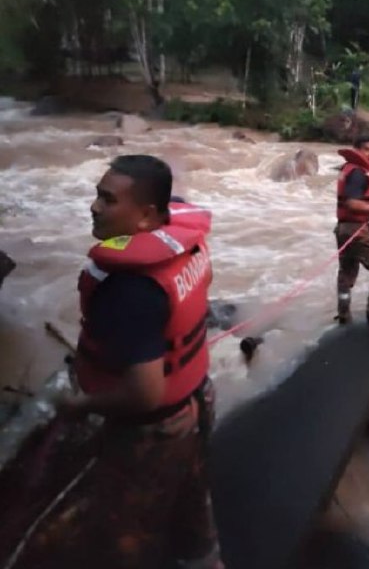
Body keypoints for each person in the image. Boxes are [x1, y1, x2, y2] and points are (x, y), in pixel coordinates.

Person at [24, 155, 223, 569]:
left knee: (124, 535)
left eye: (109, 200)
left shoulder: (130, 290)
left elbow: (144, 393)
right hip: (198, 397)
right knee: (191, 502)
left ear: (147, 215)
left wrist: (80, 405)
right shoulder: (184, 242)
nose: (94, 207)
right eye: (98, 195)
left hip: (154, 430)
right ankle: (203, 560)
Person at [334, 135, 369, 324]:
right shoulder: (358, 173)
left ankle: (343, 314)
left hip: (342, 229)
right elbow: (352, 203)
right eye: (367, 149)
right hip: (357, 230)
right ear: (357, 150)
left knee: (346, 273)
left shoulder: (348, 168)